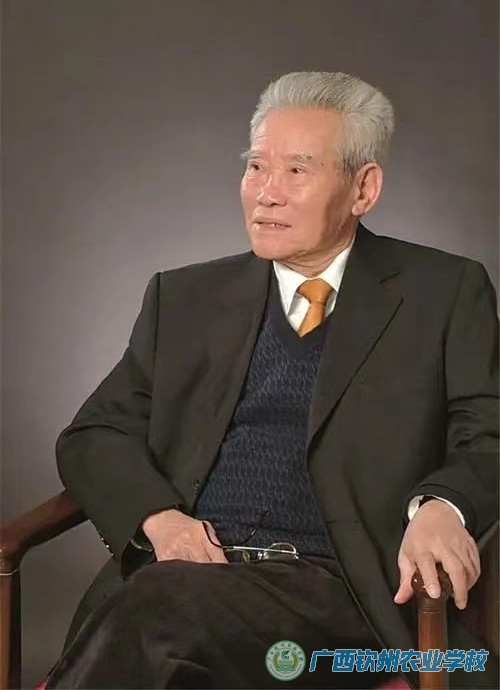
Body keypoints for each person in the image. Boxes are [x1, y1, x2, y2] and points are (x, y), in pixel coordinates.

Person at [45, 71, 498, 689]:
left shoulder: (442, 292)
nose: (267, 193)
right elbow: (95, 433)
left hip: (339, 591)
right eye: (256, 167)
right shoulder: (185, 297)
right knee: (167, 631)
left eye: (296, 171)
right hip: (191, 581)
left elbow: (488, 432)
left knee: (156, 613)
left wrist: (443, 505)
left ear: (364, 188)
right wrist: (161, 520)